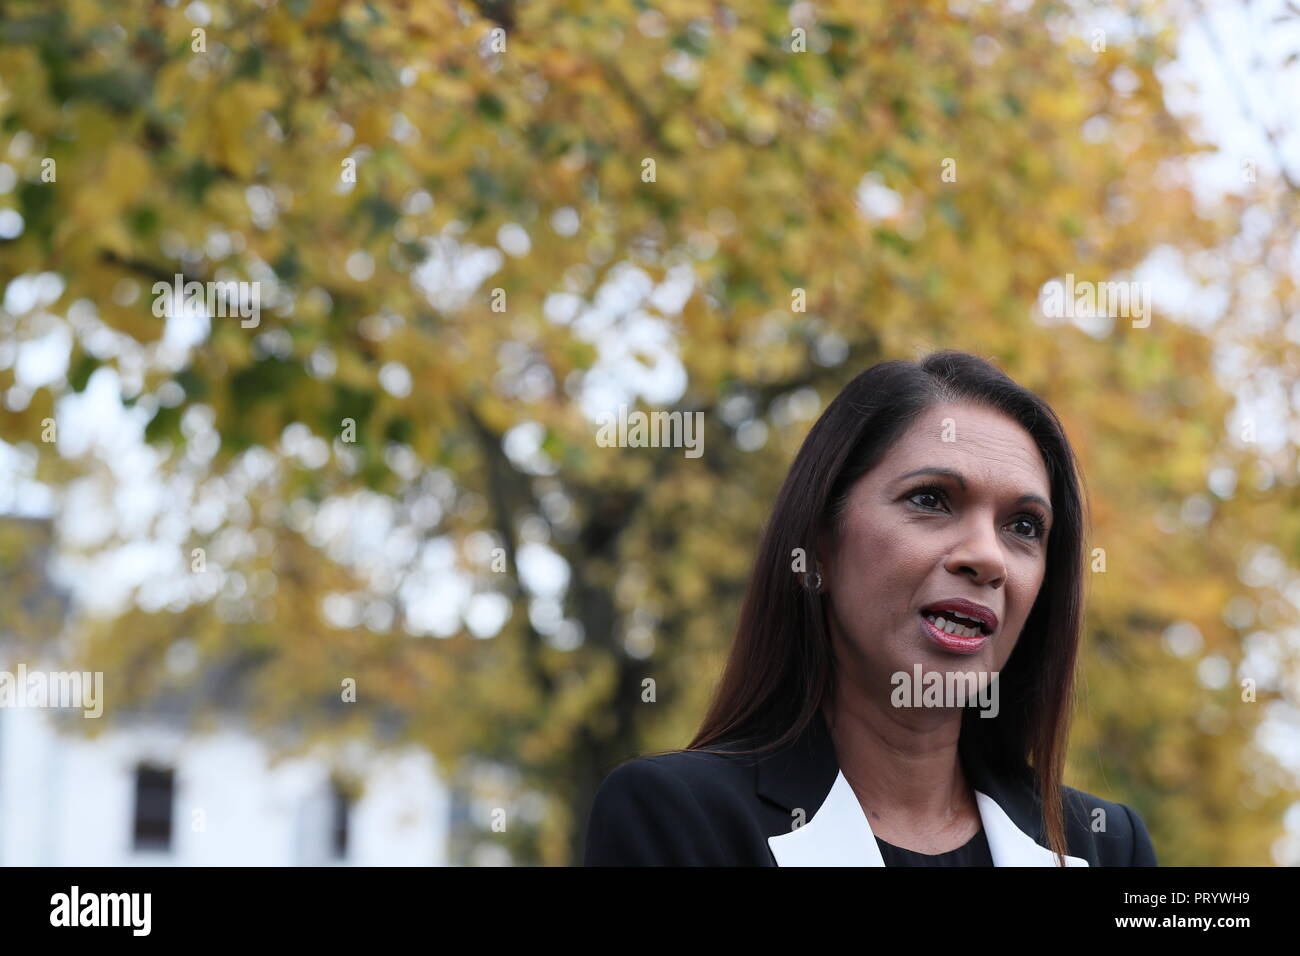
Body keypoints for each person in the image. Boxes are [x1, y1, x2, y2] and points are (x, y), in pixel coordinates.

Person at [584, 350, 1157, 866]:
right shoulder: (679, 819)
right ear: (819, 548)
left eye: (1024, 526)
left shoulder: (1105, 847)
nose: (988, 557)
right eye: (930, 499)